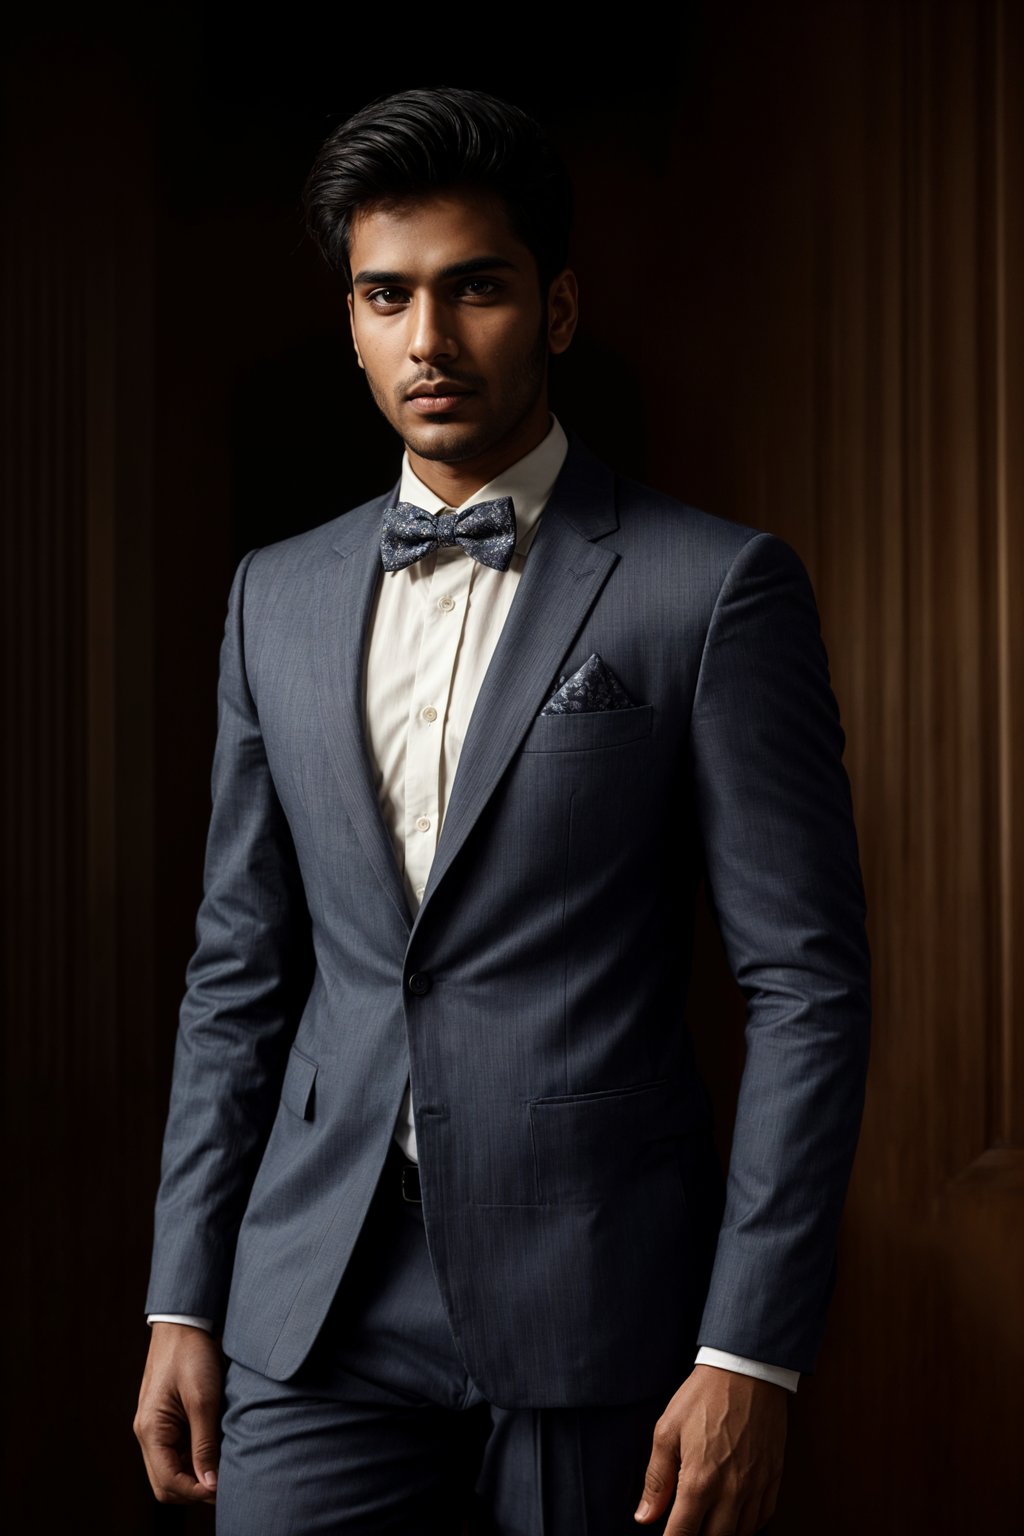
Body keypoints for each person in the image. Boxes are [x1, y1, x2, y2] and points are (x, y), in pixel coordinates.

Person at [135, 86, 871, 1535]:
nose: (429, 339)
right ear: (349, 318)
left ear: (558, 306)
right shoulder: (270, 598)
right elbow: (237, 973)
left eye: (474, 288)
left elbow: (807, 986)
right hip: (314, 1301)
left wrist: (750, 1350)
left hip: (596, 1310)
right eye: (386, 295)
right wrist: (184, 1287)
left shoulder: (711, 589)